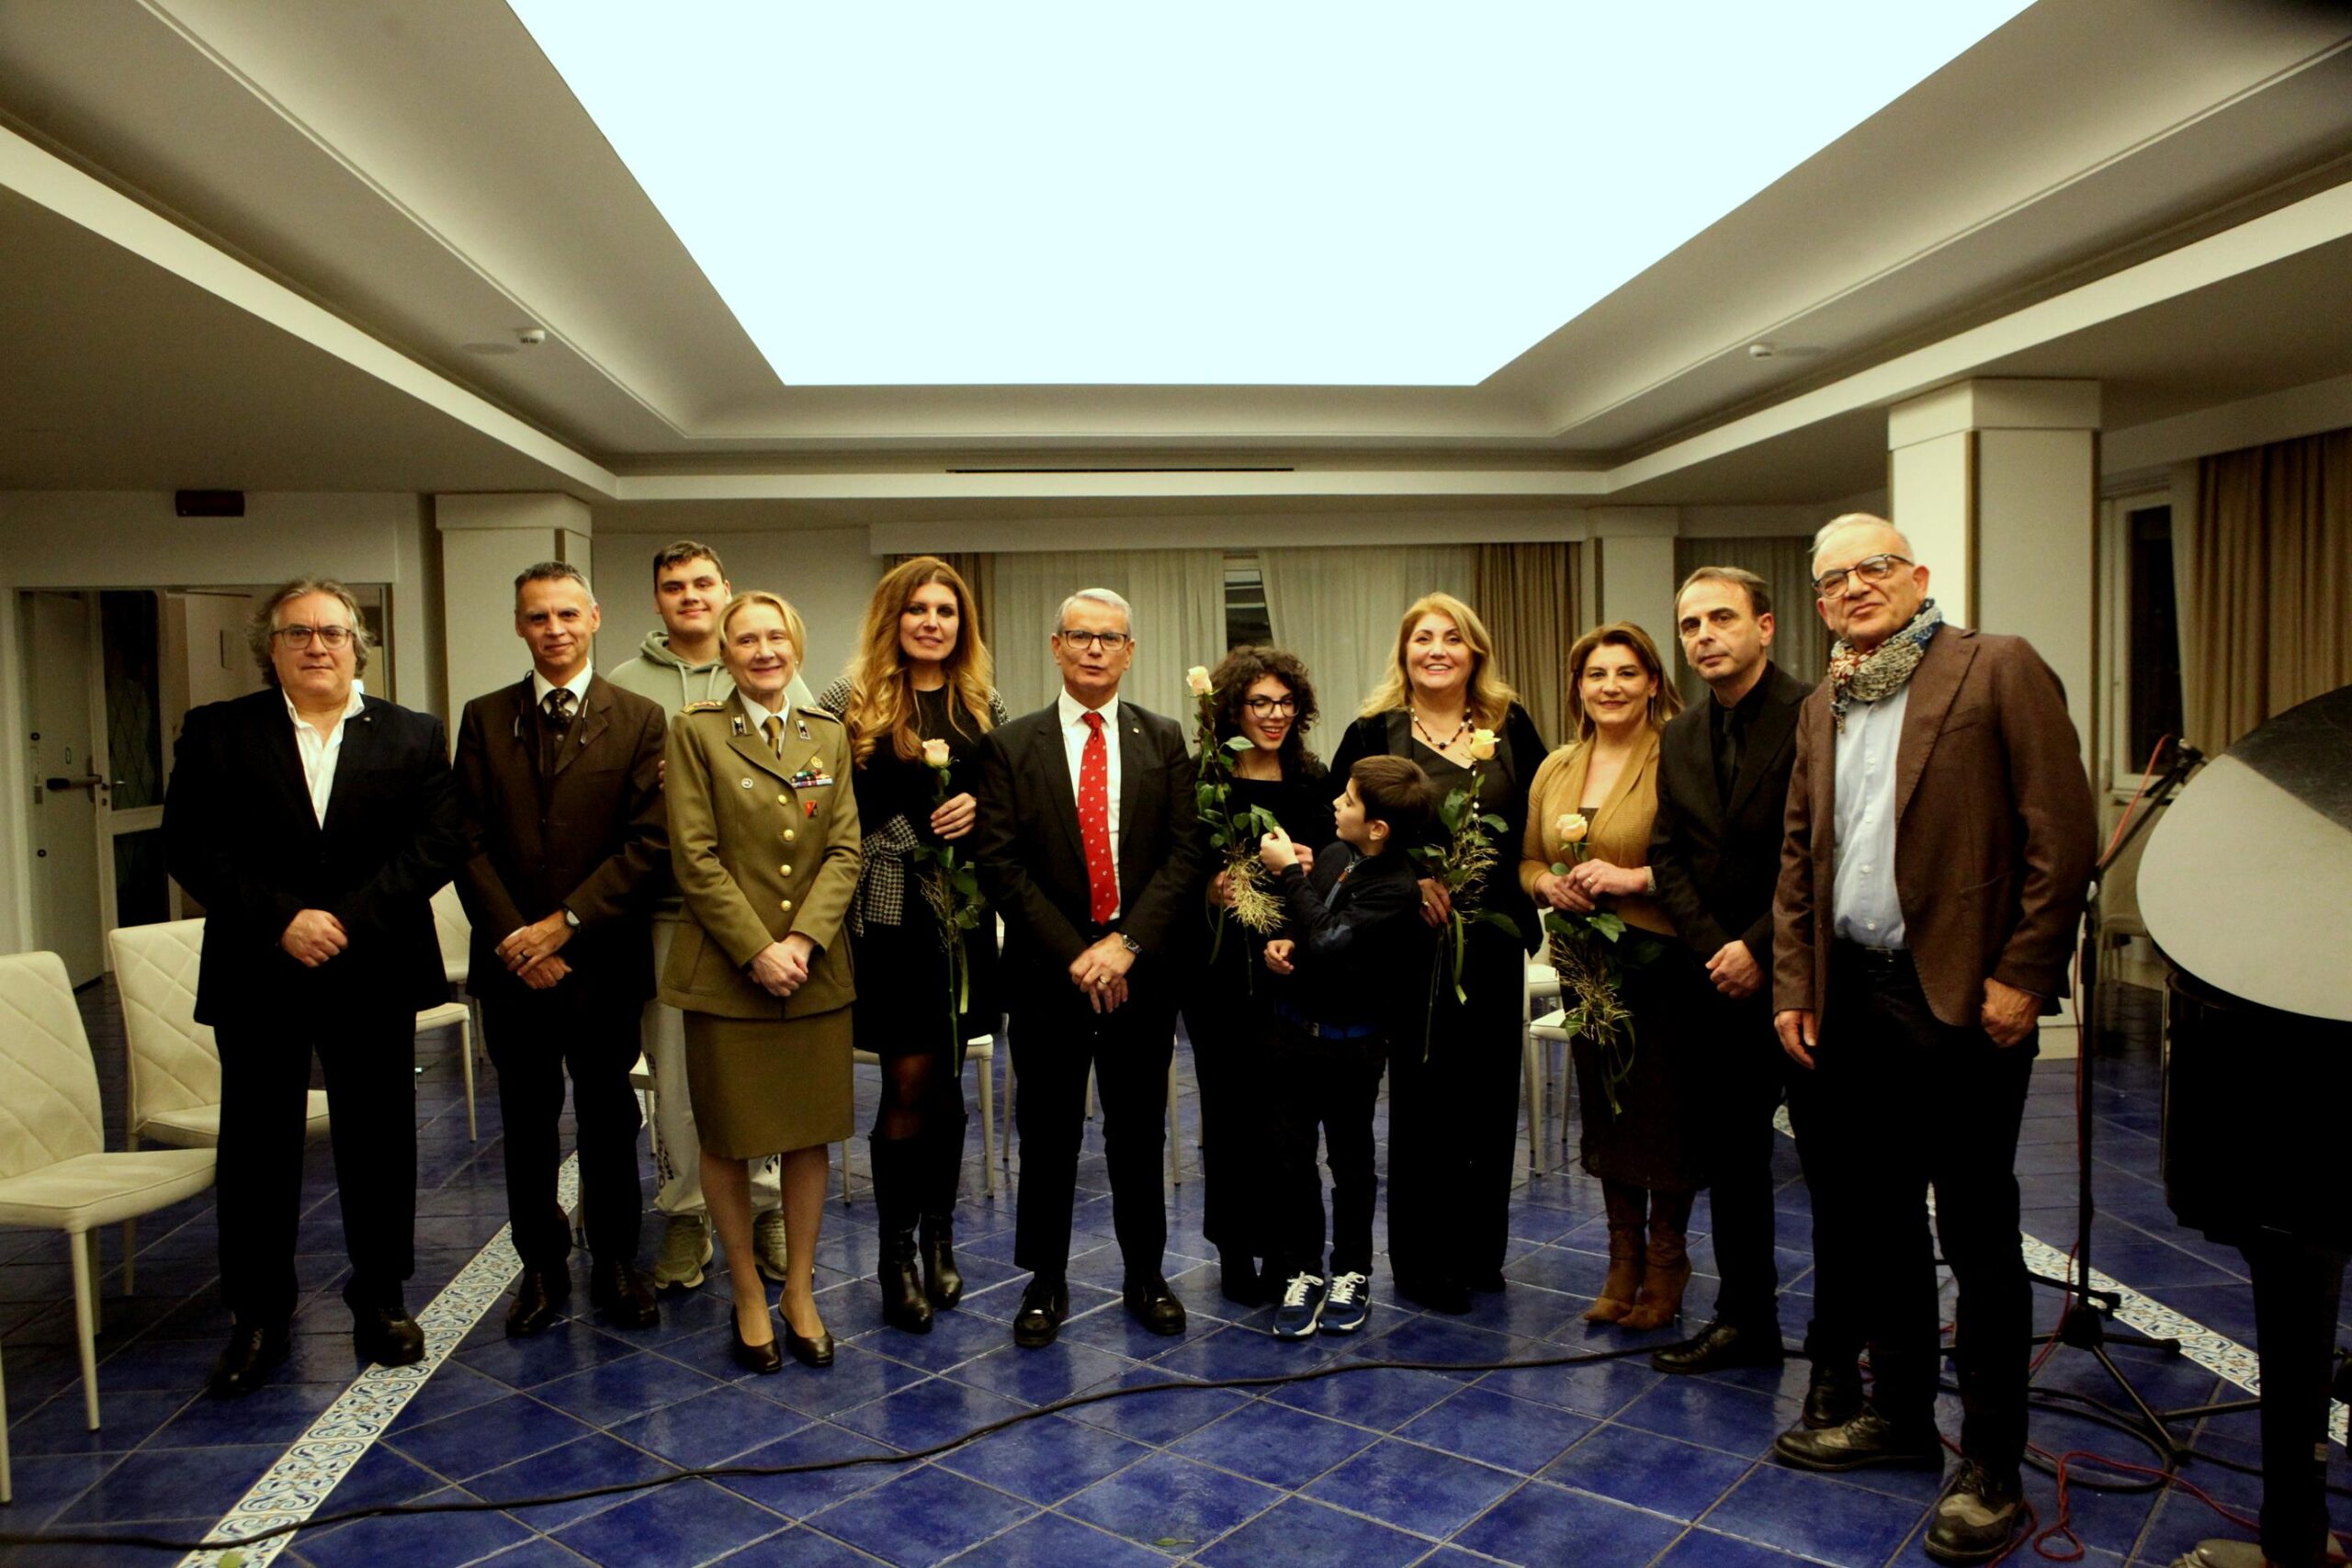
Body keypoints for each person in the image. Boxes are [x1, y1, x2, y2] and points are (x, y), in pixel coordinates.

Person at [1770, 513, 2096, 1565]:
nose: (1853, 588)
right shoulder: (1822, 705)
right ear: (1820, 605)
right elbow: (1798, 859)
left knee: (1977, 1234)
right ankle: (1899, 1417)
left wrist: (2023, 975)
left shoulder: (1995, 669)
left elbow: (2062, 837)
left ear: (1916, 576)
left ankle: (1992, 1466)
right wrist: (1794, 984)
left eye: (1872, 567)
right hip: (1851, 996)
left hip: (1960, 998)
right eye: (1833, 580)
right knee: (1876, 1224)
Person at [163, 577, 464, 1397]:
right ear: (271, 648)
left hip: (372, 965)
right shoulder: (220, 731)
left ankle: (381, 1298)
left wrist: (346, 919)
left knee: (380, 1139)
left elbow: (437, 842)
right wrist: (284, 919)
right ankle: (257, 1314)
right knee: (257, 1146)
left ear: (358, 644)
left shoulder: (412, 733)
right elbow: (190, 845)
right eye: (297, 632)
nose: (316, 646)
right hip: (260, 966)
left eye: (332, 632)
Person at [1645, 569, 1861, 1408]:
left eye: (1721, 618)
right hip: (1716, 984)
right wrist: (1716, 947)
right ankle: (1745, 1320)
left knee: (1833, 1172)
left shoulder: (1821, 713)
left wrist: (1757, 948)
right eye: (1690, 624)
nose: (1704, 635)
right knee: (1733, 1163)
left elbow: (1829, 850)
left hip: (1806, 976)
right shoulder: (1680, 733)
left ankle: (1839, 1352)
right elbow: (1667, 853)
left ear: (1765, 626)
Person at [970, 588, 1205, 1349]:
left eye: (1110, 637)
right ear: (1057, 646)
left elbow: (1185, 855)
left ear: (1130, 652)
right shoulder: (1012, 745)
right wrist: (1078, 952)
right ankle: (1044, 1280)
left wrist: (1126, 944)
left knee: (1138, 1132)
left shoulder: (1162, 738)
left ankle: (1147, 1275)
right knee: (1048, 1135)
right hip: (1050, 973)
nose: (1095, 648)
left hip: (1140, 971)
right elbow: (1000, 864)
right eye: (1081, 635)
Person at [452, 562, 668, 1337]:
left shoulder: (639, 717)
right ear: (520, 625)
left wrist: (565, 924)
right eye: (539, 616)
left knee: (609, 1116)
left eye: (568, 614)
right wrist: (519, 938)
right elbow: (464, 840)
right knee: (527, 1119)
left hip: (600, 959)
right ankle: (540, 1268)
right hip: (514, 964)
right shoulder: (484, 718)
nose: (555, 629)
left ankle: (616, 1260)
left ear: (595, 617)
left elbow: (650, 842)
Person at [661, 591, 861, 1372]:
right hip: (727, 974)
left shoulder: (827, 734)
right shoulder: (697, 732)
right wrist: (758, 949)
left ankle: (799, 1290)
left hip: (814, 970)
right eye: (746, 639)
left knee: (810, 1133)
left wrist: (802, 939)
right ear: (725, 651)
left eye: (777, 636)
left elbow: (844, 849)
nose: (764, 650)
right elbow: (694, 856)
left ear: (797, 646)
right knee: (729, 1137)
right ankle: (747, 1291)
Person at [1328, 592, 1544, 1313]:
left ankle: (1480, 1251)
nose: (1437, 649)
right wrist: (1408, 877)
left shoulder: (1511, 725)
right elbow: (1339, 829)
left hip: (1493, 939)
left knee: (1491, 1097)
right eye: (1423, 638)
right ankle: (1424, 1262)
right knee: (1426, 1101)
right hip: (1412, 943)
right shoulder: (1373, 730)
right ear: (1405, 652)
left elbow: (1536, 819)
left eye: (1452, 637)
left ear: (1475, 651)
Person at [814, 556, 1006, 1335]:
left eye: (946, 611)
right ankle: (894, 1256)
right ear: (893, 618)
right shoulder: (848, 699)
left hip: (961, 915)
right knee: (907, 1081)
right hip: (890, 916)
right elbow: (819, 806)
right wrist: (899, 832)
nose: (933, 622)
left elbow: (1008, 797)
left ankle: (939, 1238)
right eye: (918, 609)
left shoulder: (982, 701)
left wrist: (978, 813)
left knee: (951, 1081)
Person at [605, 541, 789, 1292]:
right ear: (657, 599)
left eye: (703, 583)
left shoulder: (768, 668)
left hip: (758, 914)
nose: (690, 595)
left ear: (725, 589)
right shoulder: (624, 686)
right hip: (666, 909)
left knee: (759, 1071)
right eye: (674, 585)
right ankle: (686, 1211)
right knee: (676, 1075)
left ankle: (767, 1205)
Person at [1520, 623, 1690, 1329]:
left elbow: (1702, 858)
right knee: (1607, 1111)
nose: (1610, 686)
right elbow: (1529, 859)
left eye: (1625, 672)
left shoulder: (1678, 755)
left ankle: (1667, 1258)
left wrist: (1633, 877)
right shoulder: (1557, 765)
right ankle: (1622, 1257)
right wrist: (1545, 885)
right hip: (1585, 962)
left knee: (1663, 1114)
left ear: (1652, 682)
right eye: (1596, 674)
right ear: (1578, 686)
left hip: (1662, 959)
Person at [1176, 646, 1335, 1308]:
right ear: (1232, 709)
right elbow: (1174, 864)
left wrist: (1311, 863)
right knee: (1228, 1112)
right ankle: (1235, 1247)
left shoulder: (1312, 778)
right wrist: (1209, 888)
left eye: (1285, 702)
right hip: (1217, 969)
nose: (1274, 714)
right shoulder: (1202, 778)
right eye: (1260, 702)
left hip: (1290, 964)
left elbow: (1339, 864)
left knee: (1288, 1116)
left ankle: (1287, 1249)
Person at [1255, 756, 1436, 1339]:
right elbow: (1310, 924)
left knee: (1350, 1163)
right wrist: (1285, 943)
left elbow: (1333, 938)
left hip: (1351, 1050)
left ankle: (1352, 1271)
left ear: (1378, 827)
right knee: (1291, 1157)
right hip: (1293, 1038)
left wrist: (1288, 873)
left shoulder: (1396, 888)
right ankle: (1303, 1269)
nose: (1337, 802)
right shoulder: (1337, 854)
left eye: (1350, 800)